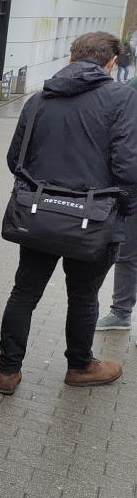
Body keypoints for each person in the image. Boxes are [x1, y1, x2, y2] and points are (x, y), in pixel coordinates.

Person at [0, 31, 137, 394]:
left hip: (38, 215)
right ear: (111, 62)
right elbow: (127, 168)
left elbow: (15, 160)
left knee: (24, 290)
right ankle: (80, 366)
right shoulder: (122, 98)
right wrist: (126, 209)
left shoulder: (38, 99)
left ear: (71, 58)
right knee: (84, 294)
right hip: (96, 220)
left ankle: (7, 373)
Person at [95, 73, 137, 332]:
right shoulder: (132, 88)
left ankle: (121, 311)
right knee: (128, 251)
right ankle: (121, 312)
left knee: (129, 252)